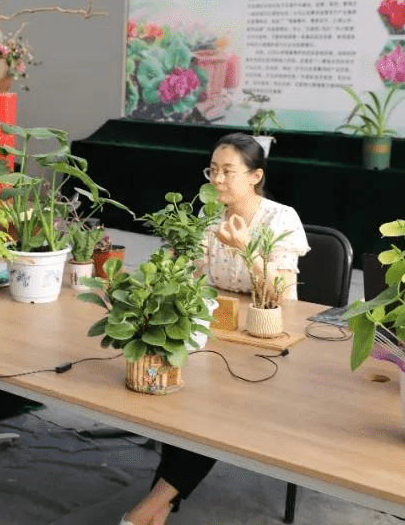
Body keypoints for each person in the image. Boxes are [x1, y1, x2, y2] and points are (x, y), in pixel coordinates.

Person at [121, 133, 309, 525]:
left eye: (227, 172)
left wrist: (246, 249)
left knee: (213, 412)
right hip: (216, 330)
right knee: (186, 396)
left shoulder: (281, 218)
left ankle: (150, 508)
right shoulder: (207, 218)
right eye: (213, 170)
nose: (216, 180)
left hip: (267, 338)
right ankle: (158, 507)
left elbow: (281, 294)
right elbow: (191, 279)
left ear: (255, 176)